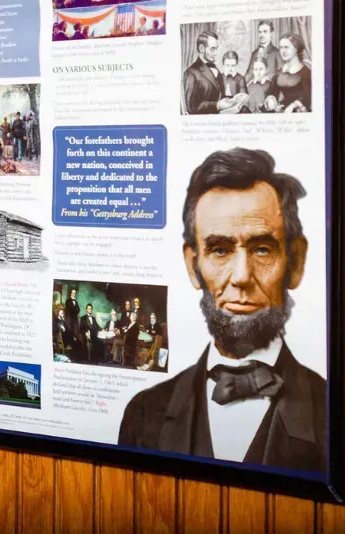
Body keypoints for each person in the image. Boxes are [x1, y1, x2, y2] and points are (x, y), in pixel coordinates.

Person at [118, 148, 324, 470]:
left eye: (261, 249)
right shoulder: (143, 414)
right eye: (219, 250)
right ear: (192, 265)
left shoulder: (340, 414)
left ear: (295, 263)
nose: (241, 276)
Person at [183, 31, 233, 114]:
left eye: (217, 48)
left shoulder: (215, 69)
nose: (216, 53)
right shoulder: (190, 73)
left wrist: (233, 99)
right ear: (201, 49)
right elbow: (192, 107)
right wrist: (217, 105)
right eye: (212, 49)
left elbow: (219, 95)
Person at [272, 33, 311, 113]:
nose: (283, 51)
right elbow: (272, 93)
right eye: (281, 47)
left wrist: (294, 105)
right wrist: (272, 102)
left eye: (286, 47)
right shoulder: (279, 73)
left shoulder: (306, 72)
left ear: (296, 49)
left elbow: (309, 97)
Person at [63, 288, 81, 360]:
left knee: (75, 334)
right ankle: (70, 355)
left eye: (75, 293)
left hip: (75, 320)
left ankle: (75, 353)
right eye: (73, 293)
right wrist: (75, 309)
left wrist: (76, 309)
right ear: (70, 294)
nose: (74, 294)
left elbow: (78, 309)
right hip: (70, 320)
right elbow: (70, 309)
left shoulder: (76, 301)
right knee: (70, 334)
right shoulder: (68, 301)